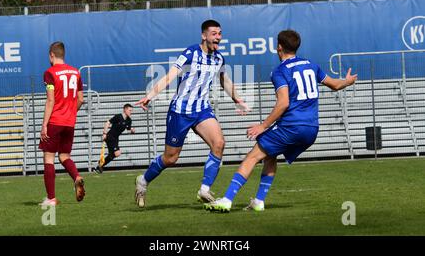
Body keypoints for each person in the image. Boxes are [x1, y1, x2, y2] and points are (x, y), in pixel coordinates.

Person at [204, 29, 357, 212]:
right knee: (270, 156)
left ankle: (227, 200)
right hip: (312, 129)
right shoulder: (311, 65)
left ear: (279, 47)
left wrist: (263, 125)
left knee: (252, 156)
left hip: (292, 126)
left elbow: (283, 103)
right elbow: (335, 84)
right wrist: (347, 81)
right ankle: (259, 201)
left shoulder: (280, 71)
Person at [134, 19, 250, 208]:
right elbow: (169, 76)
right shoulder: (190, 53)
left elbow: (225, 80)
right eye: (214, 34)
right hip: (180, 111)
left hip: (202, 110)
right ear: (204, 36)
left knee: (219, 143)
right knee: (170, 158)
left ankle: (204, 189)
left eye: (220, 34)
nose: (218, 38)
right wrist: (150, 96)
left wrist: (238, 100)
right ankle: (143, 180)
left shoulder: (219, 58)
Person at [39, 41, 85, 206]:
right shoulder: (75, 72)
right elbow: (81, 99)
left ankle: (51, 199)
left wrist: (44, 124)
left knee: (49, 158)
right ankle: (77, 177)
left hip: (55, 121)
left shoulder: (50, 73)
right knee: (64, 156)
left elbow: (50, 100)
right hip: (69, 122)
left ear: (51, 55)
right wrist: (71, 113)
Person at [93, 104, 136, 173]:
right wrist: (104, 133)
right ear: (125, 109)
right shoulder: (118, 117)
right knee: (117, 153)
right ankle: (99, 165)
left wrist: (132, 131)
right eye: (129, 110)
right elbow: (108, 123)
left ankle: (98, 165)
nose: (131, 112)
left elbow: (129, 128)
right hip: (110, 136)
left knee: (113, 154)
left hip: (116, 138)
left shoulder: (129, 120)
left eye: (131, 111)